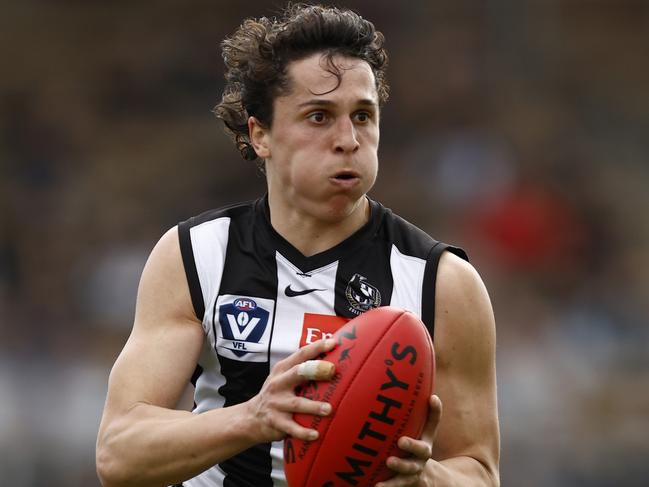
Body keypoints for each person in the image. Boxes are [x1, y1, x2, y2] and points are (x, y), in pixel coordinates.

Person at [96, 4, 500, 487]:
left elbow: (479, 471)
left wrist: (426, 481)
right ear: (260, 133)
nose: (348, 139)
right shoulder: (194, 255)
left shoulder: (443, 282)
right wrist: (253, 418)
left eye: (363, 116)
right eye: (319, 116)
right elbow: (119, 454)